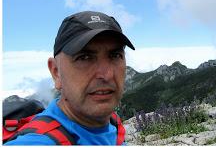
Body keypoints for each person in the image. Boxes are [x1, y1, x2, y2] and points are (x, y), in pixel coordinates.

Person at [5, 11, 135, 145]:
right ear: (56, 72)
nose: (107, 75)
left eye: (115, 55)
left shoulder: (113, 123)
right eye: (84, 57)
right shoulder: (38, 142)